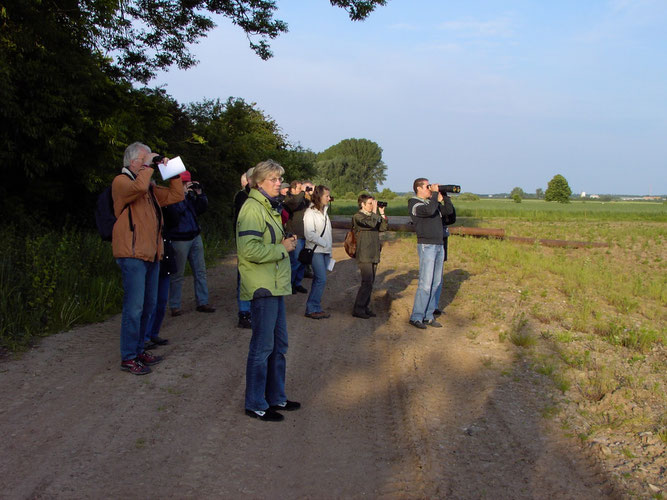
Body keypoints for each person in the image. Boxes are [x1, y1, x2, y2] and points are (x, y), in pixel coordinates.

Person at [112, 142, 184, 375]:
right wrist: (148, 167)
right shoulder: (121, 182)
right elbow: (139, 188)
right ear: (134, 162)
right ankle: (129, 357)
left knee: (148, 306)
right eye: (144, 159)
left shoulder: (149, 188)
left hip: (152, 253)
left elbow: (177, 195)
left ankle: (140, 348)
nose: (150, 163)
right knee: (134, 307)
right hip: (131, 253)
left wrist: (170, 169)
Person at [237, 160, 300, 421]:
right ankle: (254, 402)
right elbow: (248, 250)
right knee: (262, 347)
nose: (279, 184)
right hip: (262, 286)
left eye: (279, 179)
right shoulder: (252, 208)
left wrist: (285, 243)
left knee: (279, 345)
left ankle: (275, 397)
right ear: (260, 182)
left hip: (274, 284)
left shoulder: (270, 207)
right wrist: (281, 248)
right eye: (274, 179)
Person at [164, 171, 215, 316]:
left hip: (194, 236)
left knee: (200, 271)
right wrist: (183, 195)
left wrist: (200, 194)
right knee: (177, 274)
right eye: (184, 183)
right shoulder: (171, 197)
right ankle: (175, 305)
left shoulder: (189, 196)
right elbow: (175, 214)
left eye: (187, 183)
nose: (187, 186)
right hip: (179, 238)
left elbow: (201, 209)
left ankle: (203, 301)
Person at [408, 178, 446, 329]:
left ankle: (428, 316)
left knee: (436, 282)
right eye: (427, 186)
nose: (430, 188)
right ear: (419, 188)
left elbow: (449, 215)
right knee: (425, 283)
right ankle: (416, 316)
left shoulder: (432, 202)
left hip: (439, 245)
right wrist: (435, 195)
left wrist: (445, 198)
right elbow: (429, 211)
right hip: (427, 246)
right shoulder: (414, 203)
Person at [351, 194, 388, 319]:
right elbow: (371, 224)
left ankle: (364, 307)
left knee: (370, 282)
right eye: (369, 203)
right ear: (362, 204)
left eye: (373, 203)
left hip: (373, 252)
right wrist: (375, 212)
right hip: (364, 253)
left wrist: (382, 213)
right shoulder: (358, 217)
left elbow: (383, 227)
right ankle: (358, 308)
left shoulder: (373, 216)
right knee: (366, 281)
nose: (372, 206)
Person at [303, 185, 333, 319]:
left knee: (319, 279)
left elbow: (328, 232)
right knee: (321, 279)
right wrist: (325, 243)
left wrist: (329, 248)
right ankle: (312, 308)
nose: (329, 198)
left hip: (325, 251)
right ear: (319, 196)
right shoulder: (310, 213)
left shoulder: (324, 211)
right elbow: (309, 234)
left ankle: (314, 307)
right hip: (316, 251)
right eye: (326, 195)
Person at [283, 180, 311, 294]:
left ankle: (297, 283)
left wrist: (310, 195)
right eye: (299, 189)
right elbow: (294, 203)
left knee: (303, 262)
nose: (301, 191)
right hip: (295, 236)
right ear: (292, 189)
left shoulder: (302, 199)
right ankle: (289, 284)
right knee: (294, 262)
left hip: (305, 235)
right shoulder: (288, 199)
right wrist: (302, 192)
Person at [233, 170, 253, 329]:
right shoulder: (242, 196)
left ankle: (251, 311)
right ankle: (244, 313)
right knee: (244, 278)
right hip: (245, 242)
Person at [431, 194, 456, 317]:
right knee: (432, 278)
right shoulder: (431, 207)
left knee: (438, 278)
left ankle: (435, 306)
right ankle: (430, 306)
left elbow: (451, 217)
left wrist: (447, 200)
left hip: (442, 241)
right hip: (433, 243)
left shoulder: (439, 207)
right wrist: (441, 199)